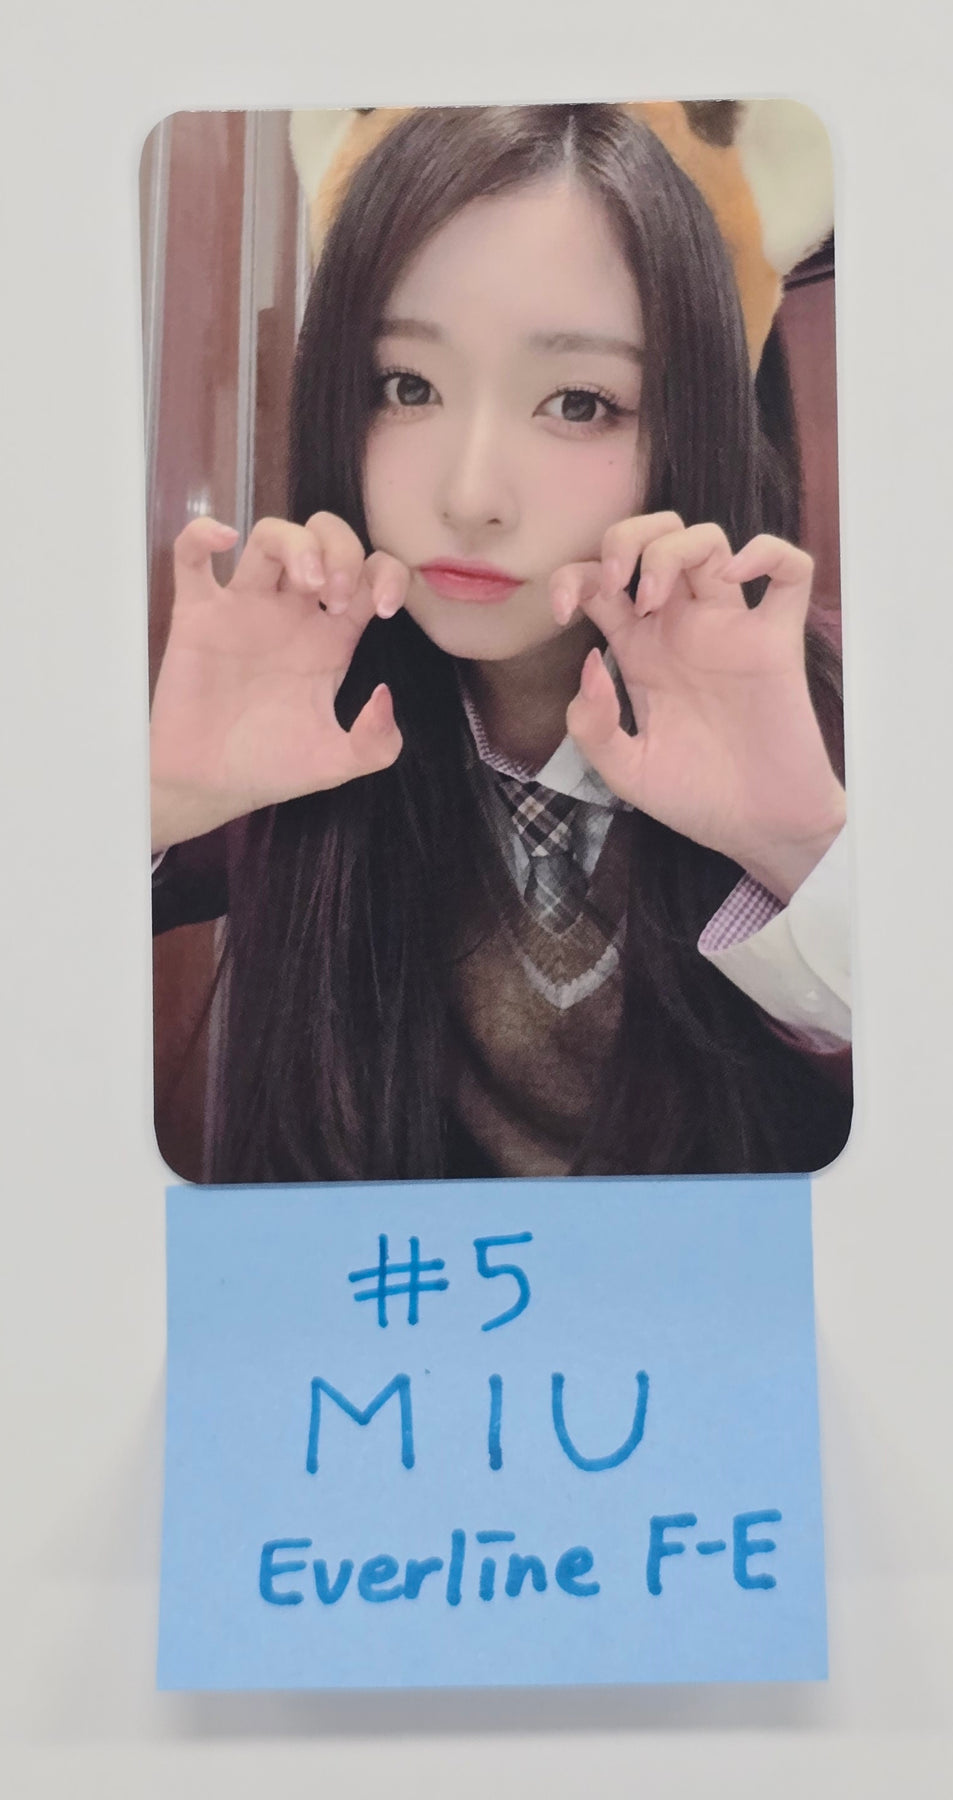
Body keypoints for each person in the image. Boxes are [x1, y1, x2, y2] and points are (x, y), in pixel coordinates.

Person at [150, 103, 851, 1184]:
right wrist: (148, 805)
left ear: (697, 420)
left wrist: (802, 853)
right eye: (407, 387)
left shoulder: (835, 720)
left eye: (578, 402)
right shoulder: (308, 712)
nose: (469, 495)